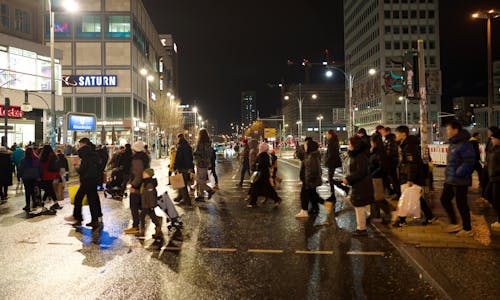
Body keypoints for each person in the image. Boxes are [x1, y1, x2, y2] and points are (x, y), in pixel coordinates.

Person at [393, 126, 436, 227]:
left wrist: (410, 179)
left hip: (411, 177)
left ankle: (402, 220)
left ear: (403, 134)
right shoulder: (405, 145)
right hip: (408, 175)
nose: (396, 136)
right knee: (416, 197)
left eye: (397, 134)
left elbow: (411, 164)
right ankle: (430, 216)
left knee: (405, 197)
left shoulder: (409, 146)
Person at [440, 121, 475, 237]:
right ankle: (454, 222)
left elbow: (469, 162)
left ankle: (467, 228)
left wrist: (458, 173)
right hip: (451, 179)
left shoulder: (465, 144)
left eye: (448, 129)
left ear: (456, 130)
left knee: (461, 204)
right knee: (444, 199)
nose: (447, 132)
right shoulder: (454, 143)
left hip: (460, 179)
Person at [64, 138, 102, 228]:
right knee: (93, 200)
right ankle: (95, 219)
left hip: (87, 181)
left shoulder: (86, 158)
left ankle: (77, 217)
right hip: (93, 180)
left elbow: (82, 170)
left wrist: (76, 166)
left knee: (78, 198)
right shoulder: (93, 156)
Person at [343, 135, 374, 236]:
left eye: (350, 143)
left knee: (359, 206)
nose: (348, 145)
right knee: (359, 206)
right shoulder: (355, 155)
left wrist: (348, 179)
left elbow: (361, 172)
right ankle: (363, 223)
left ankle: (361, 229)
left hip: (361, 184)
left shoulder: (360, 156)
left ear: (354, 145)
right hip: (359, 184)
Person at [124, 141, 150, 234]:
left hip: (138, 185)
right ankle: (145, 225)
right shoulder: (144, 157)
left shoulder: (137, 159)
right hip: (144, 184)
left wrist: (133, 185)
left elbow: (138, 174)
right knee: (143, 205)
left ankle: (136, 226)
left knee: (134, 205)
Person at [247, 142, 282, 208]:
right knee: (266, 189)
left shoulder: (262, 155)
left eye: (260, 147)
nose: (259, 148)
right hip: (264, 174)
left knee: (259, 188)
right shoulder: (266, 155)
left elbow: (260, 165)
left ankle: (253, 202)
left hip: (261, 175)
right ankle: (276, 199)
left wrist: (255, 166)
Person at [295, 139, 324, 217]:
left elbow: (313, 169)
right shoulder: (310, 154)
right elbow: (301, 156)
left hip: (309, 179)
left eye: (305, 145)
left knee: (304, 195)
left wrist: (308, 180)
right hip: (308, 178)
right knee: (312, 194)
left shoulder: (312, 156)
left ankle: (304, 211)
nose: (304, 146)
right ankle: (325, 203)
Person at [136, 168, 163, 239]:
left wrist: (151, 206)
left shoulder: (149, 184)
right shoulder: (145, 182)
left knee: (143, 216)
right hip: (146, 204)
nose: (143, 174)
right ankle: (157, 228)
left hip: (148, 205)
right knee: (150, 217)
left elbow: (151, 196)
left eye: (145, 174)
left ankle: (143, 231)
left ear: (149, 175)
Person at [193, 129, 216, 202]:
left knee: (200, 181)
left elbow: (198, 152)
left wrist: (195, 154)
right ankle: (201, 195)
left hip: (201, 163)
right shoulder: (208, 143)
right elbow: (209, 153)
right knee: (201, 180)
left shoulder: (201, 143)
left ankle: (209, 190)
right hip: (205, 164)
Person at [485, 129, 500, 230]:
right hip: (493, 177)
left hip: (498, 178)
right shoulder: (494, 148)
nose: (492, 140)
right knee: (488, 194)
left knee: (496, 199)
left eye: (493, 138)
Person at [173, 133, 194, 206]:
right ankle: (180, 197)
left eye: (177, 138)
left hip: (183, 167)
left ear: (179, 138)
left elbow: (179, 158)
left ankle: (187, 201)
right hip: (185, 167)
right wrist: (190, 167)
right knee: (181, 183)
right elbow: (190, 158)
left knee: (182, 185)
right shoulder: (187, 145)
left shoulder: (182, 146)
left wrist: (175, 167)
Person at [18, 147, 41, 212]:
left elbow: (20, 169)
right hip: (34, 177)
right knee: (33, 191)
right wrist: (39, 176)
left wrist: (20, 176)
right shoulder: (36, 159)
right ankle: (34, 203)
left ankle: (27, 205)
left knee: (27, 191)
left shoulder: (23, 160)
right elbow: (39, 168)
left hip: (26, 178)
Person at [39, 145, 60, 209]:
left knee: (49, 188)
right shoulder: (53, 155)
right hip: (52, 174)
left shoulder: (43, 156)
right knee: (48, 188)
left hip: (45, 174)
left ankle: (55, 203)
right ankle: (43, 201)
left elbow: (41, 165)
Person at [482, 126, 499, 201]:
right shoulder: (493, 145)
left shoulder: (497, 148)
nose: (488, 133)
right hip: (492, 174)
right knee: (488, 194)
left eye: (489, 132)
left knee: (491, 195)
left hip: (496, 176)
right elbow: (489, 154)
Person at [325, 130, 342, 205]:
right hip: (333, 162)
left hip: (332, 162)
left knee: (330, 179)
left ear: (330, 135)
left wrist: (327, 161)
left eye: (327, 134)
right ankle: (333, 194)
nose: (326, 135)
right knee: (330, 178)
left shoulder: (331, 142)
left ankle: (333, 195)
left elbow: (331, 154)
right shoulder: (334, 141)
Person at [383, 127, 400, 198]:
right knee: (392, 178)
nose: (383, 134)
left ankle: (397, 193)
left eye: (384, 132)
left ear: (388, 132)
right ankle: (396, 192)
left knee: (394, 178)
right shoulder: (388, 139)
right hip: (391, 161)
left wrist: (385, 156)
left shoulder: (390, 140)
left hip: (392, 162)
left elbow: (391, 152)